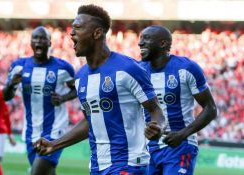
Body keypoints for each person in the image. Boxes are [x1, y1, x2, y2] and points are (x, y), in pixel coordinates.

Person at [34, 4, 165, 175]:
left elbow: (155, 110)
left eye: (78, 28)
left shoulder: (128, 69)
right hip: (97, 165)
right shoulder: (80, 78)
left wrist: (157, 127)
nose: (71, 33)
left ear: (97, 33)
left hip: (129, 163)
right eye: (72, 28)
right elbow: (90, 121)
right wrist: (54, 144)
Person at [138, 25, 217, 175]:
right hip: (147, 148)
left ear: (163, 44)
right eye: (140, 38)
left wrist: (183, 133)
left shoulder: (187, 68)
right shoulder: (138, 71)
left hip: (180, 145)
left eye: (146, 38)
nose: (140, 43)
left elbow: (211, 108)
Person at [2, 26, 77, 175]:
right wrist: (11, 84)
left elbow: (77, 89)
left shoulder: (63, 68)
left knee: (36, 172)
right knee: (46, 172)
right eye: (35, 38)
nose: (38, 41)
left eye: (42, 38)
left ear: (49, 43)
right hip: (31, 131)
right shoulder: (19, 67)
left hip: (55, 129)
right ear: (30, 42)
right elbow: (5, 96)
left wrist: (63, 98)